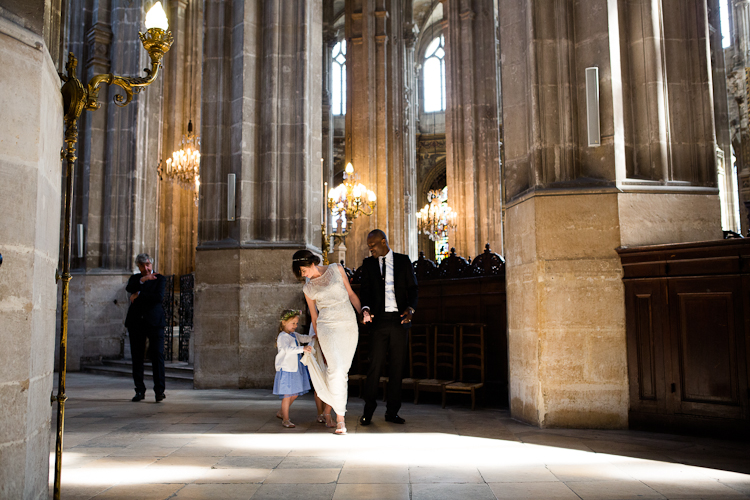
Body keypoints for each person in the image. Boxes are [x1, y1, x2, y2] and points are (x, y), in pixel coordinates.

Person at [293, 249, 363, 435]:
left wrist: (362, 311)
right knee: (335, 369)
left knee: (343, 370)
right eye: (300, 272)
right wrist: (320, 340)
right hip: (327, 328)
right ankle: (340, 418)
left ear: (311, 263)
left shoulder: (336, 269)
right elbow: (314, 318)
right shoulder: (308, 288)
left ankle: (331, 411)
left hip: (348, 324)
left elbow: (351, 295)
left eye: (302, 270)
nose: (303, 274)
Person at [359, 229, 418, 426]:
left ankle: (392, 412)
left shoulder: (403, 261)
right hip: (379, 322)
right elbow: (365, 291)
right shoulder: (368, 264)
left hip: (400, 321)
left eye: (372, 245)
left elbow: (413, 289)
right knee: (374, 367)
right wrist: (365, 309)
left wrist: (411, 309)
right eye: (369, 247)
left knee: (397, 368)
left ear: (383, 242)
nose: (370, 250)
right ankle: (368, 411)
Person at [124, 253, 167, 402]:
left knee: (157, 356)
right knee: (137, 358)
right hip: (136, 322)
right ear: (139, 266)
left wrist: (140, 294)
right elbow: (129, 288)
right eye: (143, 265)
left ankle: (159, 391)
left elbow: (158, 297)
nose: (146, 268)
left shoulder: (159, 278)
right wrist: (142, 281)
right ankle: (139, 390)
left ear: (151, 264)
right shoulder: (136, 279)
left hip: (155, 322)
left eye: (148, 264)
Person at [273, 309, 314, 428]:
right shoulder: (283, 337)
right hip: (287, 369)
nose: (295, 326)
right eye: (293, 323)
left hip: (296, 368)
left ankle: (281, 412)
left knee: (294, 393)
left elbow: (303, 338)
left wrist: (312, 337)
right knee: (287, 395)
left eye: (296, 323)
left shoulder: (294, 335)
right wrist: (303, 349)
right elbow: (287, 350)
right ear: (284, 322)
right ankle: (285, 419)